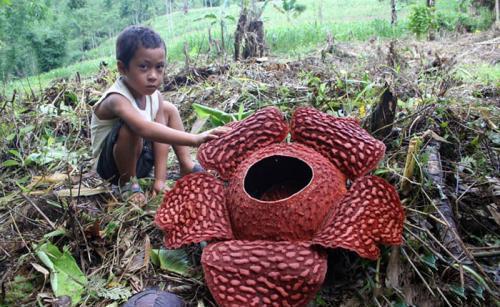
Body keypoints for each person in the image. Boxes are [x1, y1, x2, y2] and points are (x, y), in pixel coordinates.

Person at [90, 25, 228, 204]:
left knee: (169, 108)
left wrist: (160, 180)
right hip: (111, 169)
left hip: (141, 161)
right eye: (144, 67)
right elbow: (143, 128)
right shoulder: (116, 99)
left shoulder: (155, 97)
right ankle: (128, 184)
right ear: (123, 68)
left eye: (159, 67)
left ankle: (186, 164)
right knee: (131, 127)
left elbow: (160, 138)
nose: (153, 76)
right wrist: (194, 139)